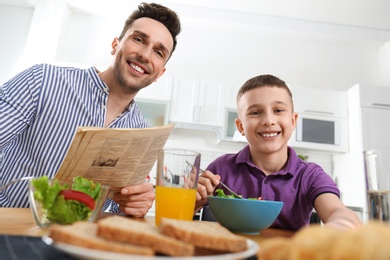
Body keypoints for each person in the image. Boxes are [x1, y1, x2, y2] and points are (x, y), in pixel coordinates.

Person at [0, 2, 181, 217]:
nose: (145, 55)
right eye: (139, 39)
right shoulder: (42, 80)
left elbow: (113, 208)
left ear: (160, 73)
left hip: (79, 242)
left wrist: (130, 205)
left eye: (159, 52)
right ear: (115, 44)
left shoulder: (141, 133)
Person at [195, 74, 362, 231]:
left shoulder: (310, 175)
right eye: (255, 112)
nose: (268, 120)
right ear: (241, 127)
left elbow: (337, 211)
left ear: (292, 120)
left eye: (278, 110)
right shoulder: (220, 168)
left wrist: (341, 226)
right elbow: (184, 214)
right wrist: (193, 201)